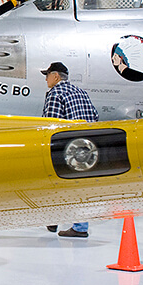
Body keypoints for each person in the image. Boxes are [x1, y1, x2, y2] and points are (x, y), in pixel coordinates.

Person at [41, 61, 98, 238]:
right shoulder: (81, 92)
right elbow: (95, 116)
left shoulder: (55, 93)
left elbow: (51, 124)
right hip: (86, 147)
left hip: (66, 148)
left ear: (56, 76)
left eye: (47, 75)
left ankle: (79, 227)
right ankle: (54, 220)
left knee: (56, 183)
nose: (46, 80)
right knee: (77, 185)